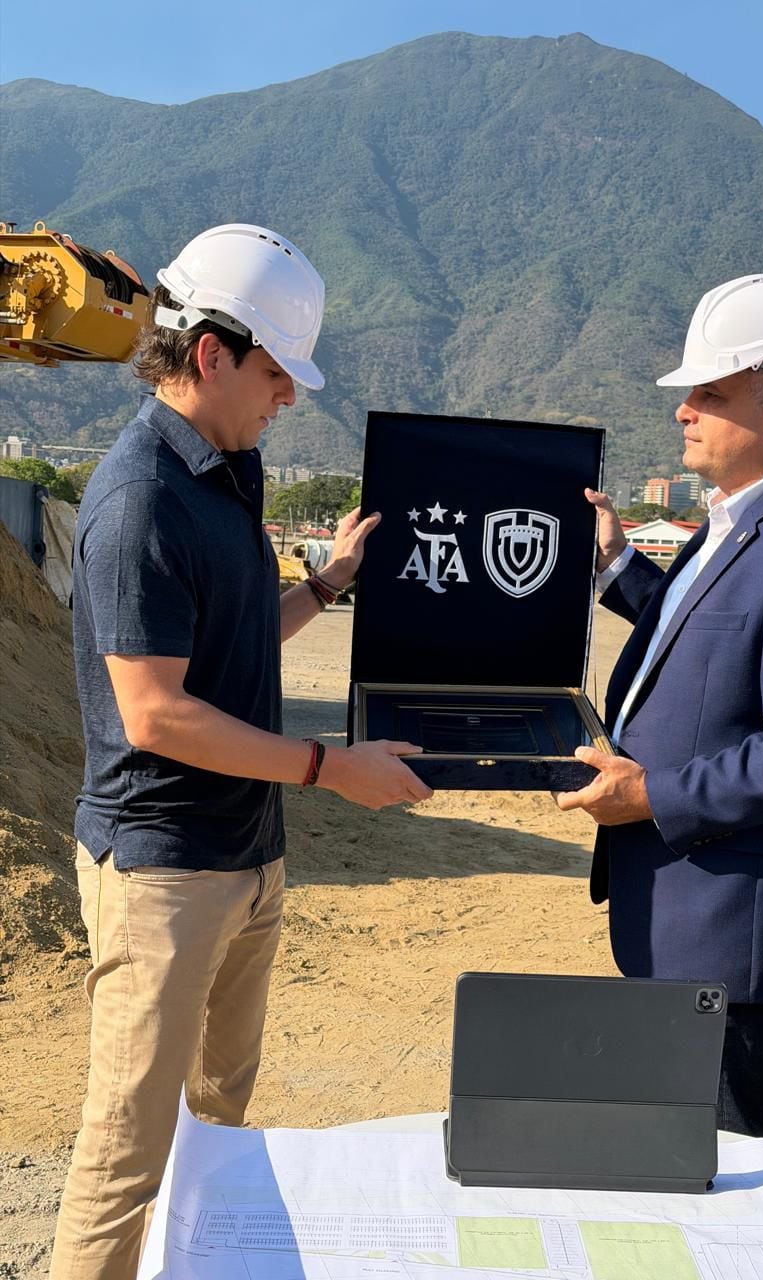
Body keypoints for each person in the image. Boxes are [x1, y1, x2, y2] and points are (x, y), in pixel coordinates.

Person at [51, 223, 433, 1279]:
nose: (290, 397)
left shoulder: (227, 471)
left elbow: (234, 638)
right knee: (127, 1154)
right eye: (276, 373)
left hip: (245, 859)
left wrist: (326, 584)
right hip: (164, 874)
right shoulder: (139, 500)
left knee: (217, 1126)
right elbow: (155, 715)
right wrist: (329, 768)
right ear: (211, 354)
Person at [556, 274, 763, 1138]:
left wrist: (652, 796)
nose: (683, 410)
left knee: (714, 1176)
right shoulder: (737, 521)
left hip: (728, 935)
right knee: (661, 1162)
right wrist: (619, 570)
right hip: (679, 911)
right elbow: (712, 640)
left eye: (710, 393)